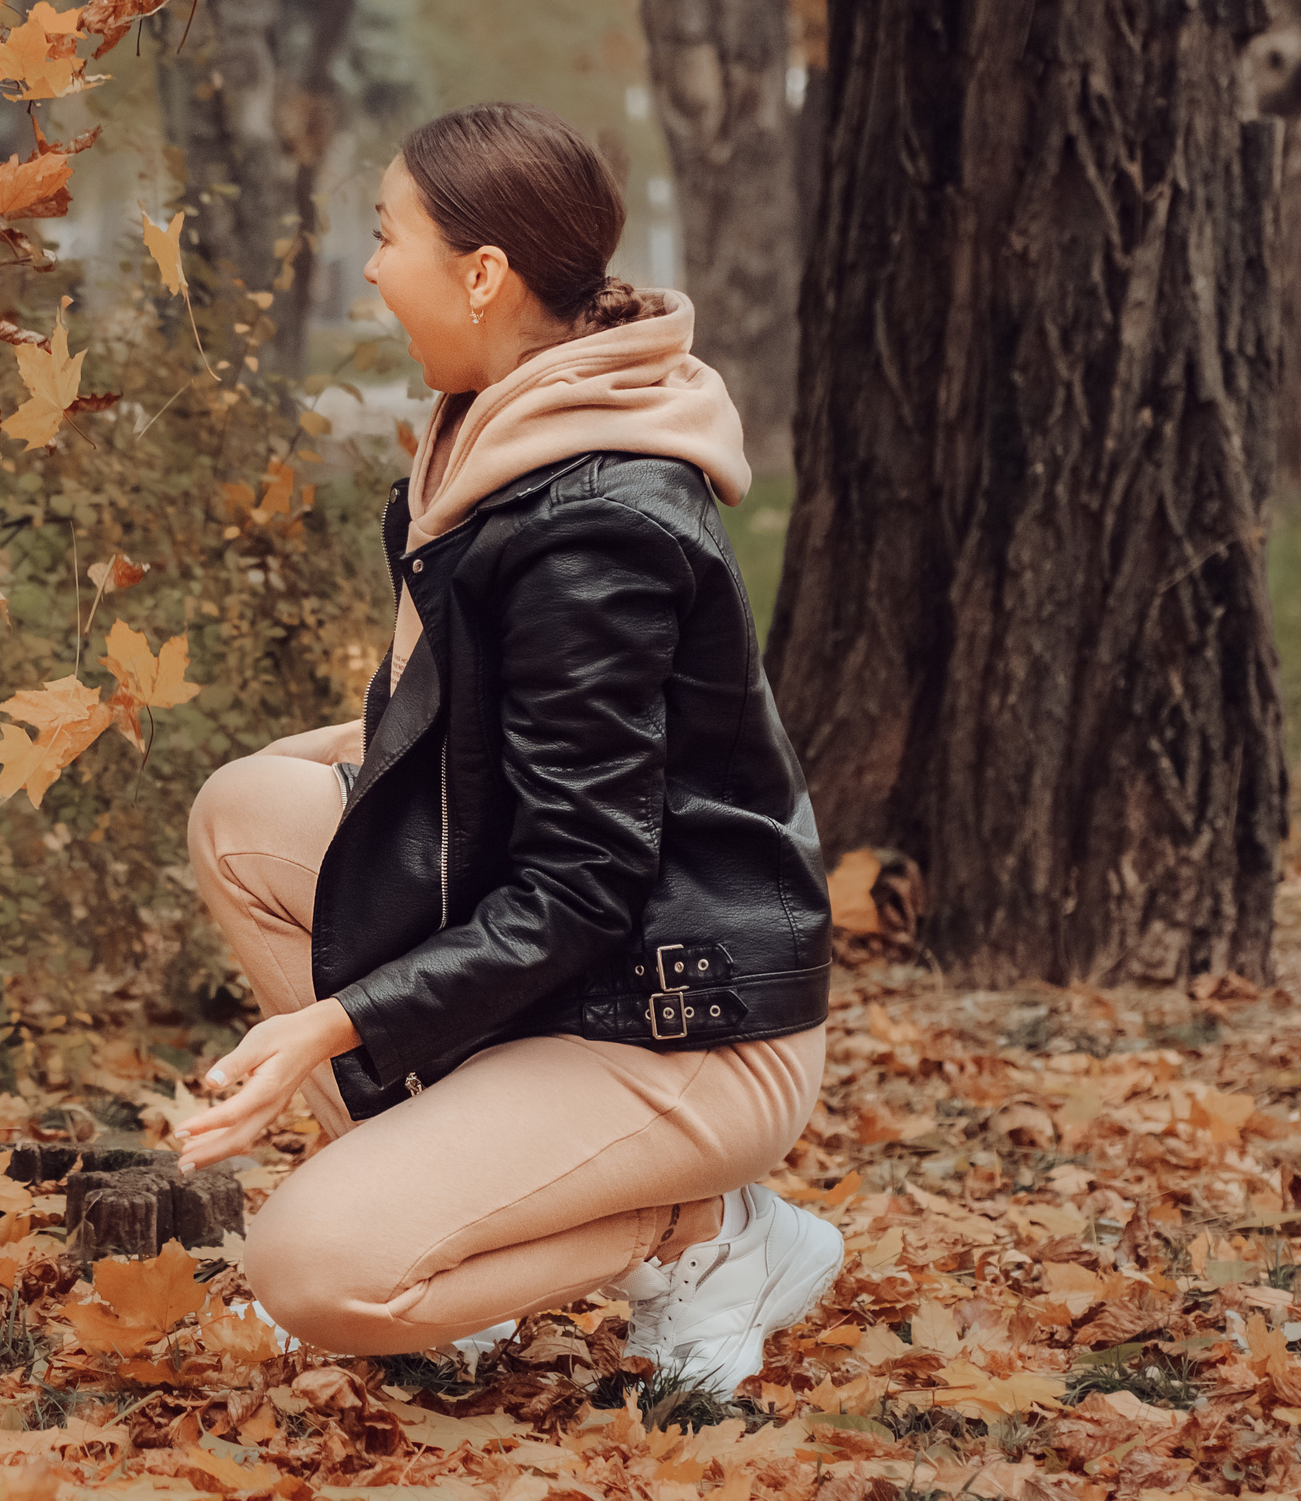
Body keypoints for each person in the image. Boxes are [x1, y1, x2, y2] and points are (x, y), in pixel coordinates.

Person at [175, 103, 838, 1394]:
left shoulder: (597, 526)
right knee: (247, 812)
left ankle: (703, 1232)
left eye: (387, 236)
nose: (368, 265)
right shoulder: (486, 435)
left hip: (682, 1014)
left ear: (483, 275)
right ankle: (463, 1239)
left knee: (309, 1266)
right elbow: (499, 738)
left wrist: (334, 1021)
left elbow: (586, 880)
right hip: (577, 967)